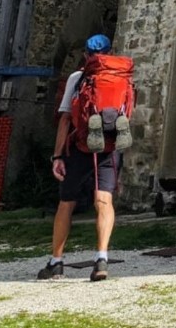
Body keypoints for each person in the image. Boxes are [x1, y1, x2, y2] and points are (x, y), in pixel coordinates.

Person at [38, 33, 122, 282]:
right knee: (104, 202)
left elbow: (65, 118)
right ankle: (101, 258)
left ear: (86, 54)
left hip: (80, 147)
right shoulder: (120, 79)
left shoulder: (78, 78)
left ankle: (56, 262)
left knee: (67, 203)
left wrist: (57, 155)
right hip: (108, 147)